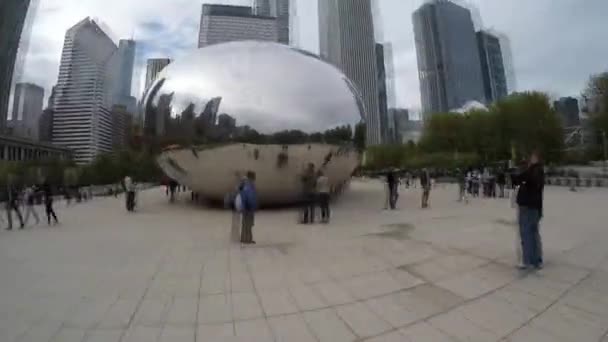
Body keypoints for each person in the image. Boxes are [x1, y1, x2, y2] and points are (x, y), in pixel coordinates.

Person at [515, 151, 545, 270]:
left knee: (526, 232)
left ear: (535, 158)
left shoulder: (532, 171)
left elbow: (519, 178)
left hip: (527, 206)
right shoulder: (540, 171)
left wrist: (523, 171)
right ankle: (537, 260)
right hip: (535, 206)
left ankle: (527, 260)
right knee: (534, 233)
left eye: (531, 157)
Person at [240, 171, 257, 244]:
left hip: (245, 207)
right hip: (249, 207)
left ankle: (244, 238)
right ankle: (248, 239)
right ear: (252, 177)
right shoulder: (249, 185)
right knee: (248, 224)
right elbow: (250, 196)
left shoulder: (244, 184)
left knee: (245, 223)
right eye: (254, 177)